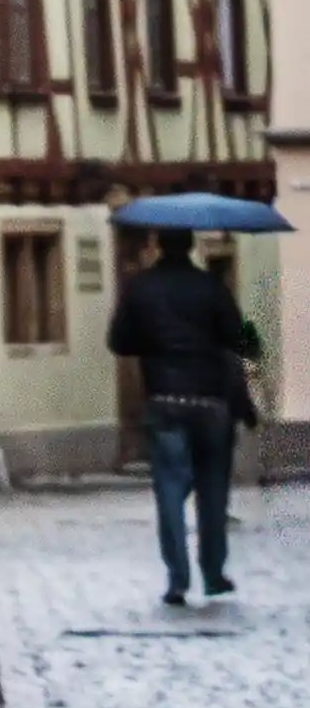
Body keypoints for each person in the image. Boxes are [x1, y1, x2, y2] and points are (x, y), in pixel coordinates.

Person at [105, 226, 263, 606]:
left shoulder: (140, 288)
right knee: (213, 489)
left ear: (157, 244)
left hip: (165, 398)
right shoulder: (212, 286)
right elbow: (241, 340)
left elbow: (118, 341)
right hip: (211, 401)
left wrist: (151, 342)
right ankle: (213, 573)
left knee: (170, 489)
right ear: (191, 245)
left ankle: (177, 578)